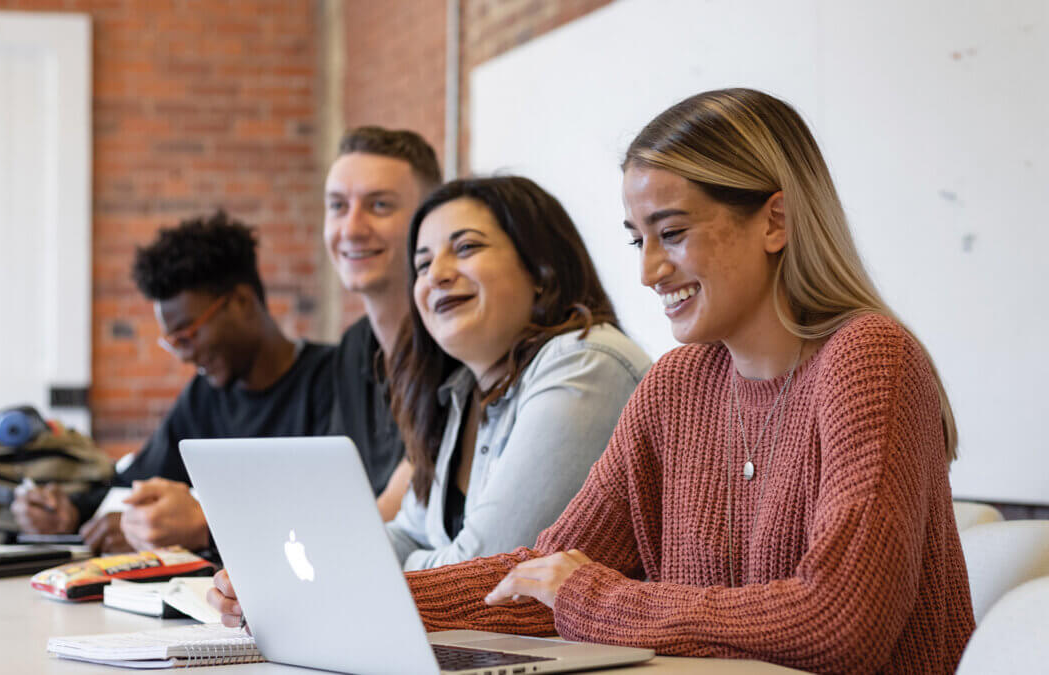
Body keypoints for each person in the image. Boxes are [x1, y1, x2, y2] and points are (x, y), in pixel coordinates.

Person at [215, 89, 976, 673]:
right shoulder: (677, 387)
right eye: (638, 238)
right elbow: (540, 579)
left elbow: (840, 619)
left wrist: (596, 598)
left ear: (775, 221)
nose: (647, 271)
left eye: (671, 233)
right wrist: (325, 598)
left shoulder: (869, 358)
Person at [13, 211, 337, 553]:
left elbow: (335, 514)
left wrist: (205, 526)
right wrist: (71, 512)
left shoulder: (333, 380)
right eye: (173, 342)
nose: (183, 356)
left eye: (188, 335)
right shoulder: (205, 395)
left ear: (241, 302)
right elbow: (133, 484)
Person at [384, 176, 651, 569]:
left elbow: (487, 568)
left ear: (541, 270)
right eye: (422, 264)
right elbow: (410, 533)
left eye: (466, 247)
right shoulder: (459, 392)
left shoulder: (586, 362)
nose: (436, 274)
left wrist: (375, 575)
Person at [322, 126, 444, 519]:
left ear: (428, 221)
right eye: (338, 206)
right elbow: (338, 494)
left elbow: (389, 517)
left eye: (379, 206)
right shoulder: (355, 346)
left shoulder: (456, 346)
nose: (352, 229)